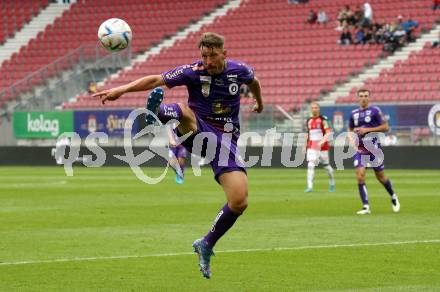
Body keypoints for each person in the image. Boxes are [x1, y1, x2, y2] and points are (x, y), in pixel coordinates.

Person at [93, 32, 264, 279]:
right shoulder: (193, 71)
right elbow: (155, 79)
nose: (208, 61)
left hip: (226, 142)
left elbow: (254, 81)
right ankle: (156, 113)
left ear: (224, 54)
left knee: (240, 201)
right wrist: (120, 90)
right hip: (195, 130)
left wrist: (259, 102)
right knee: (184, 112)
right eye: (204, 56)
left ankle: (206, 244)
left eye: (213, 56)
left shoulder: (239, 70)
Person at [348, 89, 400, 215]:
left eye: (366, 96)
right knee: (360, 176)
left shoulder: (375, 111)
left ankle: (393, 195)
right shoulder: (353, 113)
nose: (363, 98)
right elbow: (350, 128)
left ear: (369, 97)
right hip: (360, 149)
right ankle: (366, 206)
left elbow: (386, 127)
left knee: (381, 177)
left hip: (374, 149)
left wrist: (367, 130)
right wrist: (351, 140)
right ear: (358, 98)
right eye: (361, 96)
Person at [303, 102, 335, 193]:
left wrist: (321, 142)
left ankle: (332, 182)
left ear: (319, 109)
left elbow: (328, 132)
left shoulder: (323, 119)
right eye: (312, 108)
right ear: (311, 109)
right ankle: (310, 187)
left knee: (327, 167)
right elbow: (307, 133)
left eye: (316, 107)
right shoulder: (309, 120)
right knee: (310, 165)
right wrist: (305, 145)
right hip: (312, 147)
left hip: (323, 147)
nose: (314, 109)